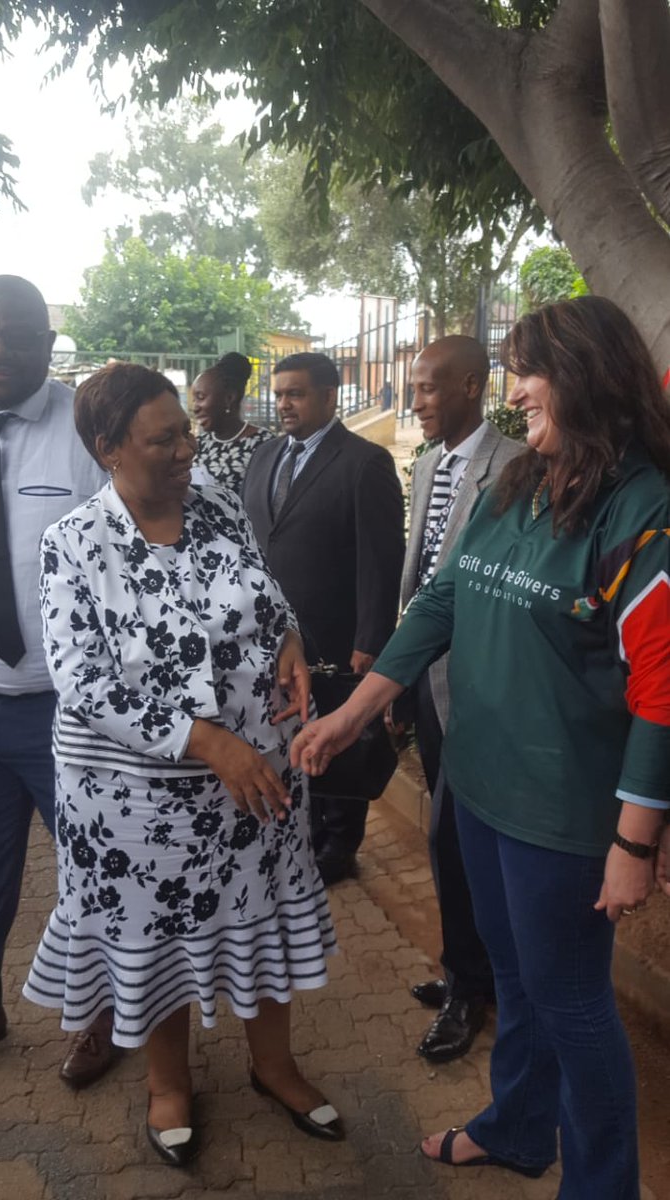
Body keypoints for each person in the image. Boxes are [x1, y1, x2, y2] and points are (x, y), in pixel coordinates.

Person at [291, 296, 670, 1199]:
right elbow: (441, 600)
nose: (516, 389)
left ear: (585, 376)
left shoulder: (643, 512)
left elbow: (660, 695)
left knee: (572, 1003)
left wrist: (632, 842)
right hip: (477, 785)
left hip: (562, 815)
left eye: (530, 371)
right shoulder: (521, 483)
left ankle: (602, 1185)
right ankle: (516, 1128)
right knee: (513, 977)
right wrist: (353, 714)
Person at [23, 362, 341, 1167]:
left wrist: (290, 638)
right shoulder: (72, 543)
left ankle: (274, 1067)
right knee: (157, 936)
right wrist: (207, 743)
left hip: (254, 779)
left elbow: (263, 591)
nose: (185, 449)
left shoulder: (218, 503)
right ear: (108, 448)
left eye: (185, 432)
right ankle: (168, 1084)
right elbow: (82, 680)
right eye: (162, 439)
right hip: (135, 799)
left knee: (263, 917)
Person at [0, 274, 117, 1086]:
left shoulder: (86, 433)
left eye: (16, 334)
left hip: (67, 711)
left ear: (47, 343)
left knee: (92, 867)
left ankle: (102, 1018)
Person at [395, 336, 522, 1064]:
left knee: (458, 836)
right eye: (414, 387)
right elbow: (420, 575)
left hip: (478, 684)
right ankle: (467, 971)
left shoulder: (516, 467)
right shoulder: (428, 465)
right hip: (425, 674)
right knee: (445, 836)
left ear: (472, 386)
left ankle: (474, 987)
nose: (415, 402)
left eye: (428, 388)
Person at [243, 352, 405, 886]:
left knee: (339, 740)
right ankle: (299, 828)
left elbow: (381, 559)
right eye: (279, 394)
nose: (283, 404)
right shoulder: (265, 455)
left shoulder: (364, 462)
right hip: (269, 634)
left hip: (335, 636)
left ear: (330, 396)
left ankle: (339, 842)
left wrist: (371, 637)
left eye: (296, 393)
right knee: (287, 733)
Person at [191, 352, 274, 493]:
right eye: (194, 400)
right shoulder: (198, 445)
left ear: (229, 398)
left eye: (201, 397)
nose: (195, 408)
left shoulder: (264, 445)